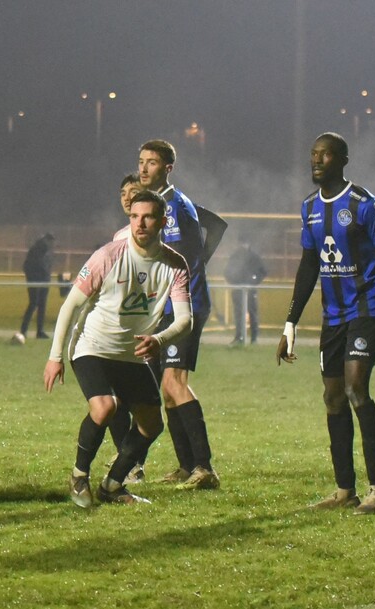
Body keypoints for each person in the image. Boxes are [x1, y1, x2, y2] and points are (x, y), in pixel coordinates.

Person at [277, 132, 375, 515]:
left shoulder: (364, 205)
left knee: (355, 389)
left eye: (326, 155)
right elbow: (308, 266)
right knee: (333, 397)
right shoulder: (309, 207)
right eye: (313, 154)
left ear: (343, 160)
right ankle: (344, 490)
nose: (317, 161)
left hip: (368, 310)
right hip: (332, 316)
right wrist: (290, 324)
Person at [45, 190, 192, 507]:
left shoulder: (175, 265)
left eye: (148, 217)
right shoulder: (108, 256)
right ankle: (79, 477)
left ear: (162, 222)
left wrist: (159, 339)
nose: (140, 223)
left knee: (151, 424)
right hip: (92, 347)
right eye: (135, 217)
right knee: (104, 407)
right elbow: (70, 305)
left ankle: (112, 486)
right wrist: (55, 357)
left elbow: (185, 320)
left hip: (130, 356)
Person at [122, 140, 228, 490]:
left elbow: (175, 256)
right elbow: (216, 225)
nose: (143, 168)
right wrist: (200, 260)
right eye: (141, 161)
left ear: (167, 168)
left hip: (185, 305)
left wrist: (194, 266)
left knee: (173, 384)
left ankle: (205, 468)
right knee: (166, 389)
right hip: (167, 305)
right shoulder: (164, 202)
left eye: (151, 162)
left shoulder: (174, 206)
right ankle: (187, 466)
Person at [225, 242, 268, 345]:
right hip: (237, 290)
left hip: (250, 290)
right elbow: (227, 272)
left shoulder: (254, 256)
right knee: (238, 314)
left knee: (252, 313)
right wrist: (234, 282)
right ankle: (239, 337)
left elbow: (263, 272)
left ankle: (254, 339)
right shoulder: (235, 256)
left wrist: (254, 282)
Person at [16, 233, 55, 342]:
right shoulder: (41, 248)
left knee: (38, 304)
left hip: (41, 280)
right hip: (38, 280)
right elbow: (37, 266)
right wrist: (42, 276)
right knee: (35, 303)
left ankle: (33, 331)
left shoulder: (41, 249)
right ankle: (28, 330)